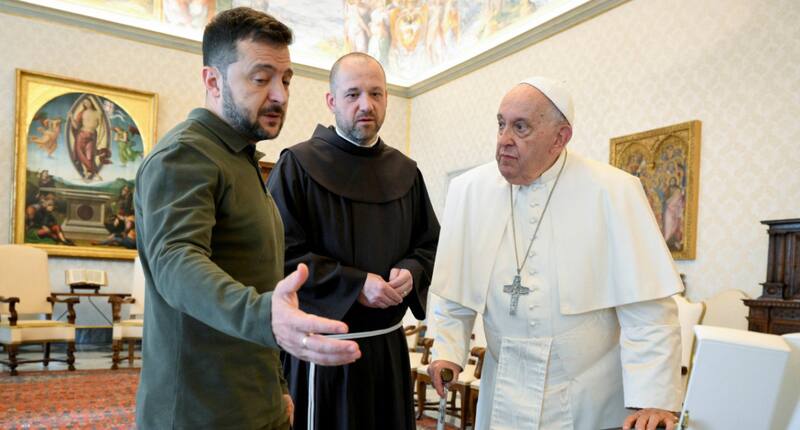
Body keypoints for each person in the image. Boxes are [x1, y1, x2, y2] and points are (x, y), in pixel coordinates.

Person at [134, 8, 361, 429]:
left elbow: (265, 287)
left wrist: (277, 387)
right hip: (199, 414)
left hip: (256, 406)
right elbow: (176, 261)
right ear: (213, 81)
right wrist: (265, 319)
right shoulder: (185, 155)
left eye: (286, 79)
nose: (280, 94)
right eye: (261, 78)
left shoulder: (242, 160)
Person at [426, 77, 684, 430]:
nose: (504, 139)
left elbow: (648, 310)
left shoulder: (613, 191)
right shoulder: (469, 191)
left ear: (560, 137)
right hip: (502, 385)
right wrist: (447, 353)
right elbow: (454, 291)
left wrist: (653, 399)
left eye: (521, 127)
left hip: (585, 393)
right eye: (501, 124)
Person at [267, 52, 439, 430]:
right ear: (331, 101)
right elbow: (280, 253)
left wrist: (411, 271)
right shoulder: (297, 165)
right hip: (323, 349)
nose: (366, 105)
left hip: (387, 349)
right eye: (353, 94)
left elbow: (428, 243)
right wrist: (356, 284)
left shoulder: (407, 172)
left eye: (376, 94)